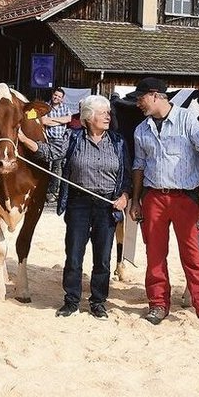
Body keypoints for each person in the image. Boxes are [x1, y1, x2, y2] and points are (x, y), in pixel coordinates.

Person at [126, 77, 199, 327]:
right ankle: (158, 305)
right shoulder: (141, 129)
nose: (138, 103)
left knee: (193, 255)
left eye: (141, 98)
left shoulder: (187, 119)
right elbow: (138, 166)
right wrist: (135, 200)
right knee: (155, 254)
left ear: (155, 95)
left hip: (185, 197)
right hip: (153, 197)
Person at [56, 94, 130, 319]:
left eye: (108, 113)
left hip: (107, 206)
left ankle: (98, 302)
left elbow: (126, 175)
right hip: (78, 203)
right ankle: (71, 301)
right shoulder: (74, 138)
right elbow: (51, 152)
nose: (108, 117)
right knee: (74, 255)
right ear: (89, 117)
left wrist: (125, 196)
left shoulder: (118, 142)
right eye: (102, 113)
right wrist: (21, 139)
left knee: (103, 258)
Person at [40, 86, 73, 200]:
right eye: (55, 95)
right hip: (47, 140)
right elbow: (44, 121)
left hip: (60, 141)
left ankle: (52, 192)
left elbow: (68, 119)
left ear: (62, 98)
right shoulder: (46, 106)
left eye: (59, 96)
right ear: (52, 94)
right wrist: (60, 120)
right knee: (45, 165)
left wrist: (52, 120)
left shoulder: (65, 107)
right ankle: (43, 190)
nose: (56, 98)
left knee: (57, 167)